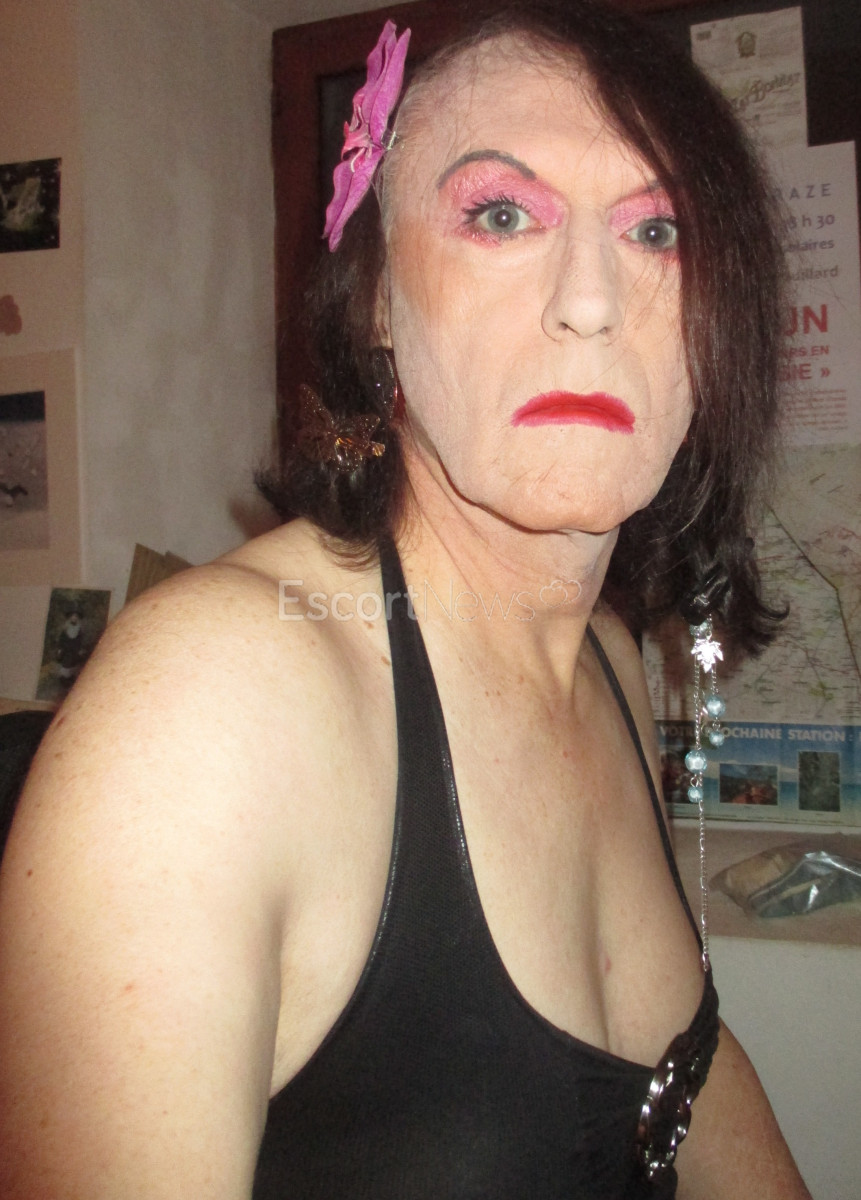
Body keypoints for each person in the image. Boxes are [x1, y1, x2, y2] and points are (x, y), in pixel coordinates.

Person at [0, 2, 811, 1196]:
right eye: (501, 215)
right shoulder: (209, 705)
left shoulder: (608, 661)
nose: (591, 301)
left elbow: (679, 1074)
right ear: (377, 298)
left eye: (657, 230)